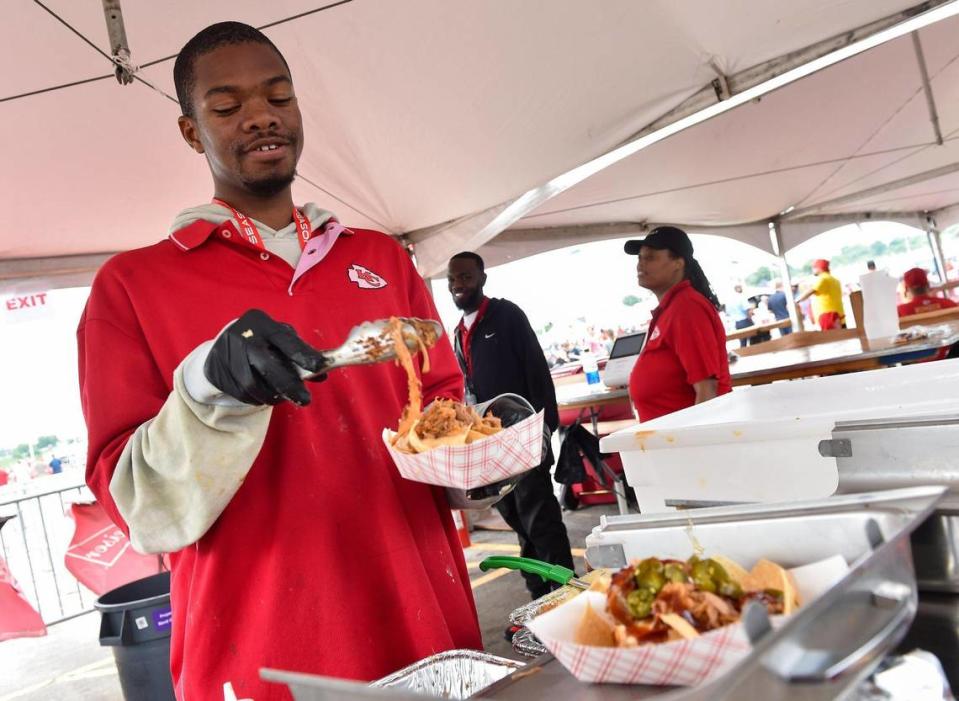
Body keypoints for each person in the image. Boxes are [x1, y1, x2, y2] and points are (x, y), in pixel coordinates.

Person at [78, 23, 481, 700]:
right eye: (227, 106)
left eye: (279, 96)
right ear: (189, 131)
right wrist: (208, 388)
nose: (261, 115)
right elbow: (130, 502)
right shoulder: (130, 286)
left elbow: (445, 406)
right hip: (261, 649)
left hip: (425, 618)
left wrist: (483, 465)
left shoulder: (381, 258)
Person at [446, 252, 574, 601]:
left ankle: (566, 595)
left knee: (541, 522)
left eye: (466, 277)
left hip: (526, 439)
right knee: (519, 523)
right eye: (453, 279)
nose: (459, 285)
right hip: (491, 448)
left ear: (482, 279)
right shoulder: (458, 332)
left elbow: (537, 373)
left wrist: (546, 431)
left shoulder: (507, 315)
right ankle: (539, 598)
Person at [623, 227, 732, 422]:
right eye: (639, 258)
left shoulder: (687, 307)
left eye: (650, 258)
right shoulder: (672, 308)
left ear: (678, 263)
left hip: (687, 443)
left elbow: (707, 390)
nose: (641, 264)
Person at [796, 259, 845, 330]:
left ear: (819, 268)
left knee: (832, 340)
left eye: (814, 268)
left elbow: (809, 292)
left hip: (828, 318)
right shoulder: (834, 279)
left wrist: (796, 301)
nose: (813, 270)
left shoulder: (823, 279)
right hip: (838, 316)